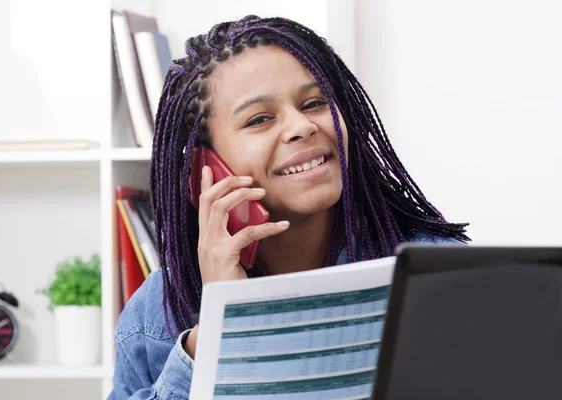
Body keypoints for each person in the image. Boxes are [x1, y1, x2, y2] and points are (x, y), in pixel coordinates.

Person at [107, 15, 469, 400]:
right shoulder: (155, 312)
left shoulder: (437, 272)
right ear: (205, 169)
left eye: (314, 103)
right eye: (260, 119)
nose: (302, 126)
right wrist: (214, 332)